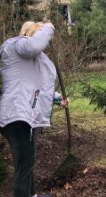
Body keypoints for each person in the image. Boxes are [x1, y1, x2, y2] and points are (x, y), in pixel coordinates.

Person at [0, 21, 68, 197]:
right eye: (40, 35)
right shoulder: (18, 45)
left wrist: (56, 98)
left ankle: (32, 195)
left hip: (22, 116)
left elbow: (35, 84)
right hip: (17, 115)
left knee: (27, 162)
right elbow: (34, 45)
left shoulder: (26, 58)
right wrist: (49, 27)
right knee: (23, 166)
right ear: (32, 34)